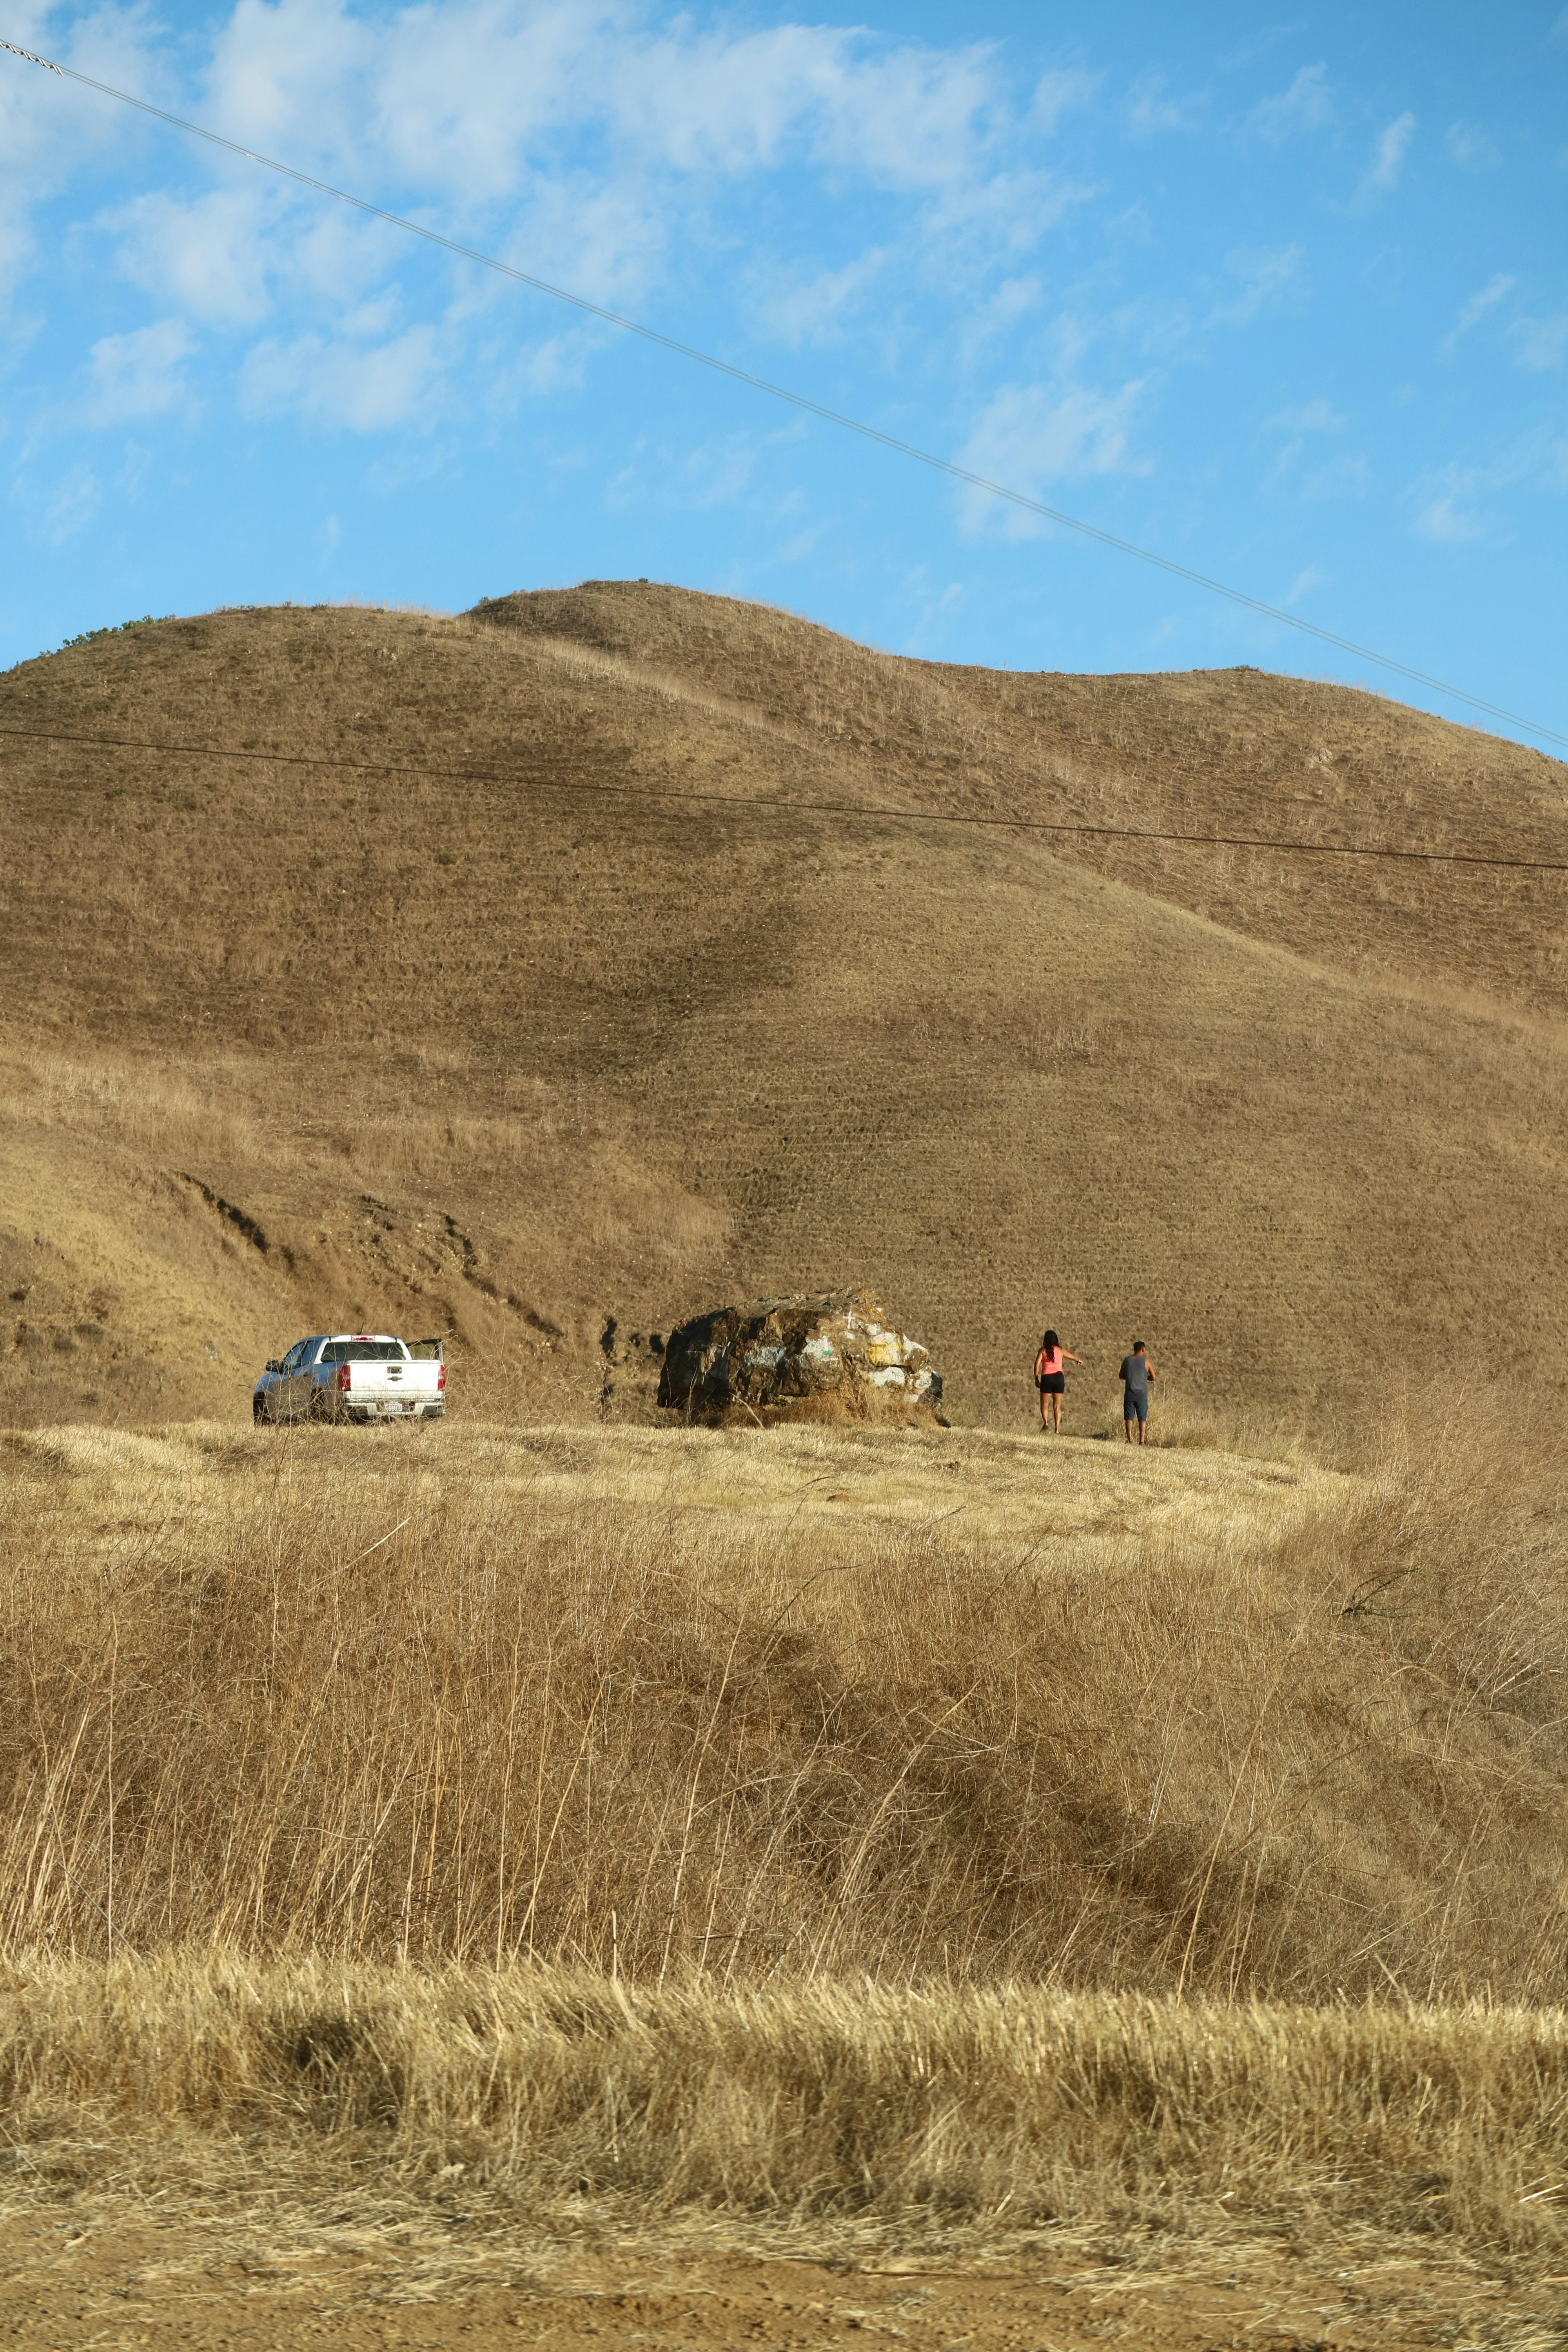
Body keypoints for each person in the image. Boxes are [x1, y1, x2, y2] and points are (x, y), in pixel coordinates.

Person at [1034, 1327, 1084, 1434]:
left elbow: (1037, 1365)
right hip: (1058, 1378)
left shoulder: (1043, 1351)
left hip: (1047, 1378)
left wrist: (1036, 1378)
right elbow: (1071, 1356)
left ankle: (1046, 1423)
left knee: (1045, 1404)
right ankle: (1057, 1430)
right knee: (1057, 1406)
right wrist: (1078, 1360)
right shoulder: (1060, 1350)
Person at [1120, 1340, 1156, 1444]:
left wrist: (1131, 1378)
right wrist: (1144, 1378)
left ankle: (1130, 1440)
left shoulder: (1127, 1360)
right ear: (1143, 1350)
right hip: (1141, 1393)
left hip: (1130, 1393)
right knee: (1142, 1418)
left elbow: (1121, 1375)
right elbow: (1154, 1377)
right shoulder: (1147, 1361)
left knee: (1129, 1418)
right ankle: (1142, 1441)